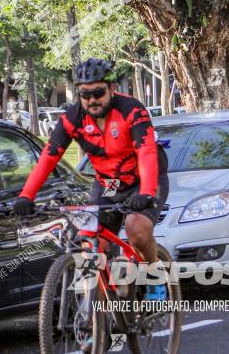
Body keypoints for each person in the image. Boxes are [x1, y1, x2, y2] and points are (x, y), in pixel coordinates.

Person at [13, 58, 169, 300]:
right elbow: (48, 157)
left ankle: (154, 278)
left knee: (136, 228)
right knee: (92, 240)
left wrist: (147, 192)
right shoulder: (72, 119)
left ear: (112, 89)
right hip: (111, 183)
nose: (92, 100)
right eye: (85, 94)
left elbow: (146, 152)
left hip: (144, 179)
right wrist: (26, 196)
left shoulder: (132, 110)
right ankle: (95, 319)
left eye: (98, 92)